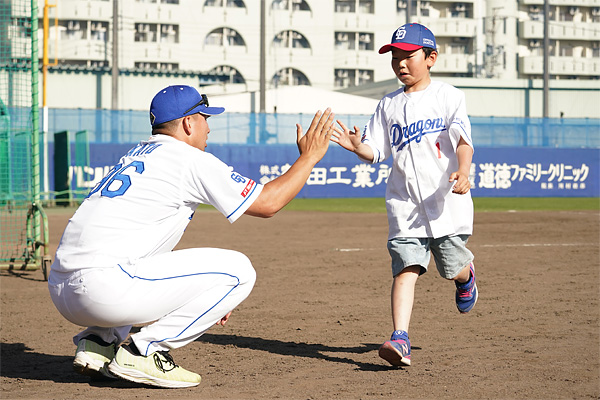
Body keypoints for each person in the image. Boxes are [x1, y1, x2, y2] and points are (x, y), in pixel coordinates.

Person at [48, 84, 336, 388]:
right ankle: (145, 351)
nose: (208, 128)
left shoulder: (136, 155)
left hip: (62, 288)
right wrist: (310, 157)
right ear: (188, 123)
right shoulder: (187, 158)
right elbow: (268, 204)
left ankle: (98, 342)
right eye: (205, 118)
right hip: (103, 291)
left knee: (141, 261)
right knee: (238, 272)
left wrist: (202, 295)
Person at [331, 23, 478, 367]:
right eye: (395, 56)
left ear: (431, 58)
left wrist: (465, 170)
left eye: (407, 56)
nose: (400, 63)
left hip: (446, 203)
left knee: (450, 267)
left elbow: (463, 140)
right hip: (404, 204)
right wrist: (358, 148)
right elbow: (376, 151)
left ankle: (466, 276)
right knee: (406, 269)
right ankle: (400, 338)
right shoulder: (388, 104)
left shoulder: (448, 96)